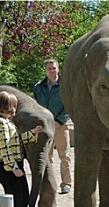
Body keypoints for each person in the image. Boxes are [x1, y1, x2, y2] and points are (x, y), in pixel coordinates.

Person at [0, 91, 44, 207]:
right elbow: (4, 147)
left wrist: (33, 133)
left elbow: (16, 140)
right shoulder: (0, 123)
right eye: (13, 104)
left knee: (22, 199)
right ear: (7, 106)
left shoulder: (7, 122)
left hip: (14, 164)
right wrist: (12, 167)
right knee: (19, 200)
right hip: (7, 166)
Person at [33, 58, 72, 194]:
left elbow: (69, 105)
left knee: (64, 155)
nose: (51, 70)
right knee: (46, 156)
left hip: (60, 126)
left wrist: (59, 121)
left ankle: (66, 183)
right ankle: (48, 183)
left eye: (54, 68)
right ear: (45, 70)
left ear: (58, 69)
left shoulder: (65, 85)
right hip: (45, 126)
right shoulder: (39, 86)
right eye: (49, 68)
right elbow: (35, 105)